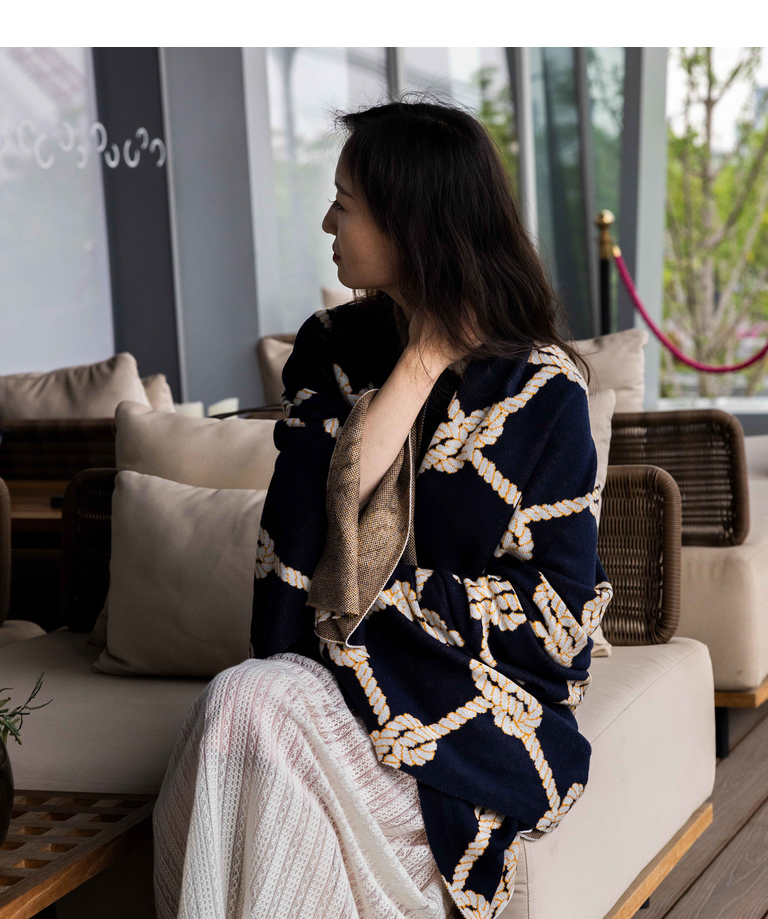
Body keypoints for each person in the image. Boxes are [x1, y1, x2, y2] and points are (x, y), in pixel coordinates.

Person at [152, 96, 612, 919]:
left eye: (345, 202)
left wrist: (382, 603)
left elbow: (559, 620)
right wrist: (424, 357)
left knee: (248, 705)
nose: (328, 222)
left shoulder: (543, 391)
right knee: (248, 708)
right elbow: (302, 535)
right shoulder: (331, 349)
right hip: (322, 685)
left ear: (410, 223)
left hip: (474, 721)